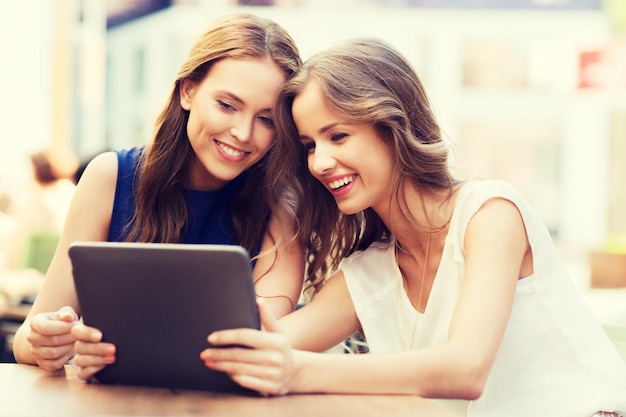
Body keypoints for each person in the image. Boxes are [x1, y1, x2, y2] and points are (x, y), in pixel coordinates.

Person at [200, 38, 626, 417]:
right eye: (310, 146)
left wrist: (299, 371)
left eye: (339, 136)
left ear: (393, 127)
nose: (319, 163)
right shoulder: (370, 272)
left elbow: (466, 368)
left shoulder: (490, 215)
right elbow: (263, 344)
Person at [12, 13, 304, 380]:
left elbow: (260, 343)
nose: (243, 133)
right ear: (188, 91)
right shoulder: (110, 177)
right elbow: (27, 339)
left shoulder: (281, 203)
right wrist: (48, 342)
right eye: (227, 105)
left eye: (267, 119)